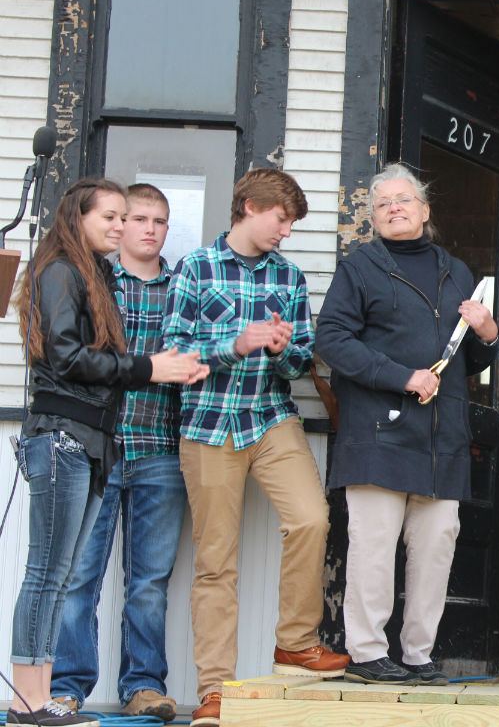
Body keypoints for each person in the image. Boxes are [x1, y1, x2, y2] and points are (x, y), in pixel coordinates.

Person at [7, 179, 206, 727]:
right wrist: (149, 367)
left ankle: (39, 700)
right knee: (51, 575)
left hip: (91, 439)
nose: (121, 227)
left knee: (58, 572)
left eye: (127, 218)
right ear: (78, 216)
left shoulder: (84, 273)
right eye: (111, 217)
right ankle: (31, 701)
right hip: (64, 437)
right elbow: (69, 359)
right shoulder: (61, 271)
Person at [163, 168, 348, 727]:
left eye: (291, 223)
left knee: (313, 519)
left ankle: (295, 642)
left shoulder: (288, 276)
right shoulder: (195, 268)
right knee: (216, 563)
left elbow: (300, 363)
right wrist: (236, 344)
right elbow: (174, 356)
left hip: (270, 418)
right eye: (281, 219)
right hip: (209, 425)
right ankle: (215, 692)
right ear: (248, 206)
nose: (287, 232)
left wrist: (287, 349)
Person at [316, 163, 498, 685]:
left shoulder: (457, 271)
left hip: (443, 438)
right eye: (383, 204)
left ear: (424, 210)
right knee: (373, 547)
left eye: (403, 200)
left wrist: (488, 334)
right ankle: (369, 653)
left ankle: (419, 655)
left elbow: (465, 360)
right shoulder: (359, 267)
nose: (394, 208)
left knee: (437, 547)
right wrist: (401, 377)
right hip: (377, 432)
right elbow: (330, 339)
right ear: (373, 217)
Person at [50, 184, 187, 721]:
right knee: (79, 575)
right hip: (97, 448)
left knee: (149, 582)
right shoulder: (96, 283)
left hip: (161, 448)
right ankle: (66, 687)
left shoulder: (181, 287)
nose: (149, 229)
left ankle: (143, 687)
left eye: (159, 221)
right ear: (119, 226)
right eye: (137, 219)